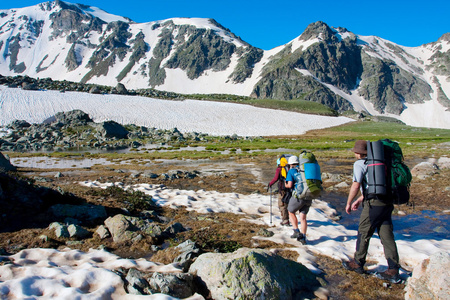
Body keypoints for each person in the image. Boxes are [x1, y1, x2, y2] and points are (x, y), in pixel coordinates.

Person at [343, 140, 401, 284]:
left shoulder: (359, 164)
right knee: (387, 235)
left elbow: (356, 184)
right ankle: (393, 269)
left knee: (363, 232)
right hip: (386, 202)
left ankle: (357, 263)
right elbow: (374, 187)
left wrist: (349, 202)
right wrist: (359, 200)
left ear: (358, 153)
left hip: (373, 205)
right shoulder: (382, 163)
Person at [285, 155, 312, 245]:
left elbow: (289, 185)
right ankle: (303, 237)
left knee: (290, 211)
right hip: (309, 196)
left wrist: (285, 185)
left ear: (290, 164)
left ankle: (296, 231)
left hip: (299, 196)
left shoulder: (292, 171)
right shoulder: (305, 170)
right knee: (303, 217)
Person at [267, 155, 291, 226]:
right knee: (287, 204)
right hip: (289, 188)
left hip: (282, 189)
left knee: (281, 204)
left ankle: (285, 220)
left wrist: (270, 184)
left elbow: (275, 178)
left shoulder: (279, 169)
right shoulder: (289, 167)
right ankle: (287, 218)